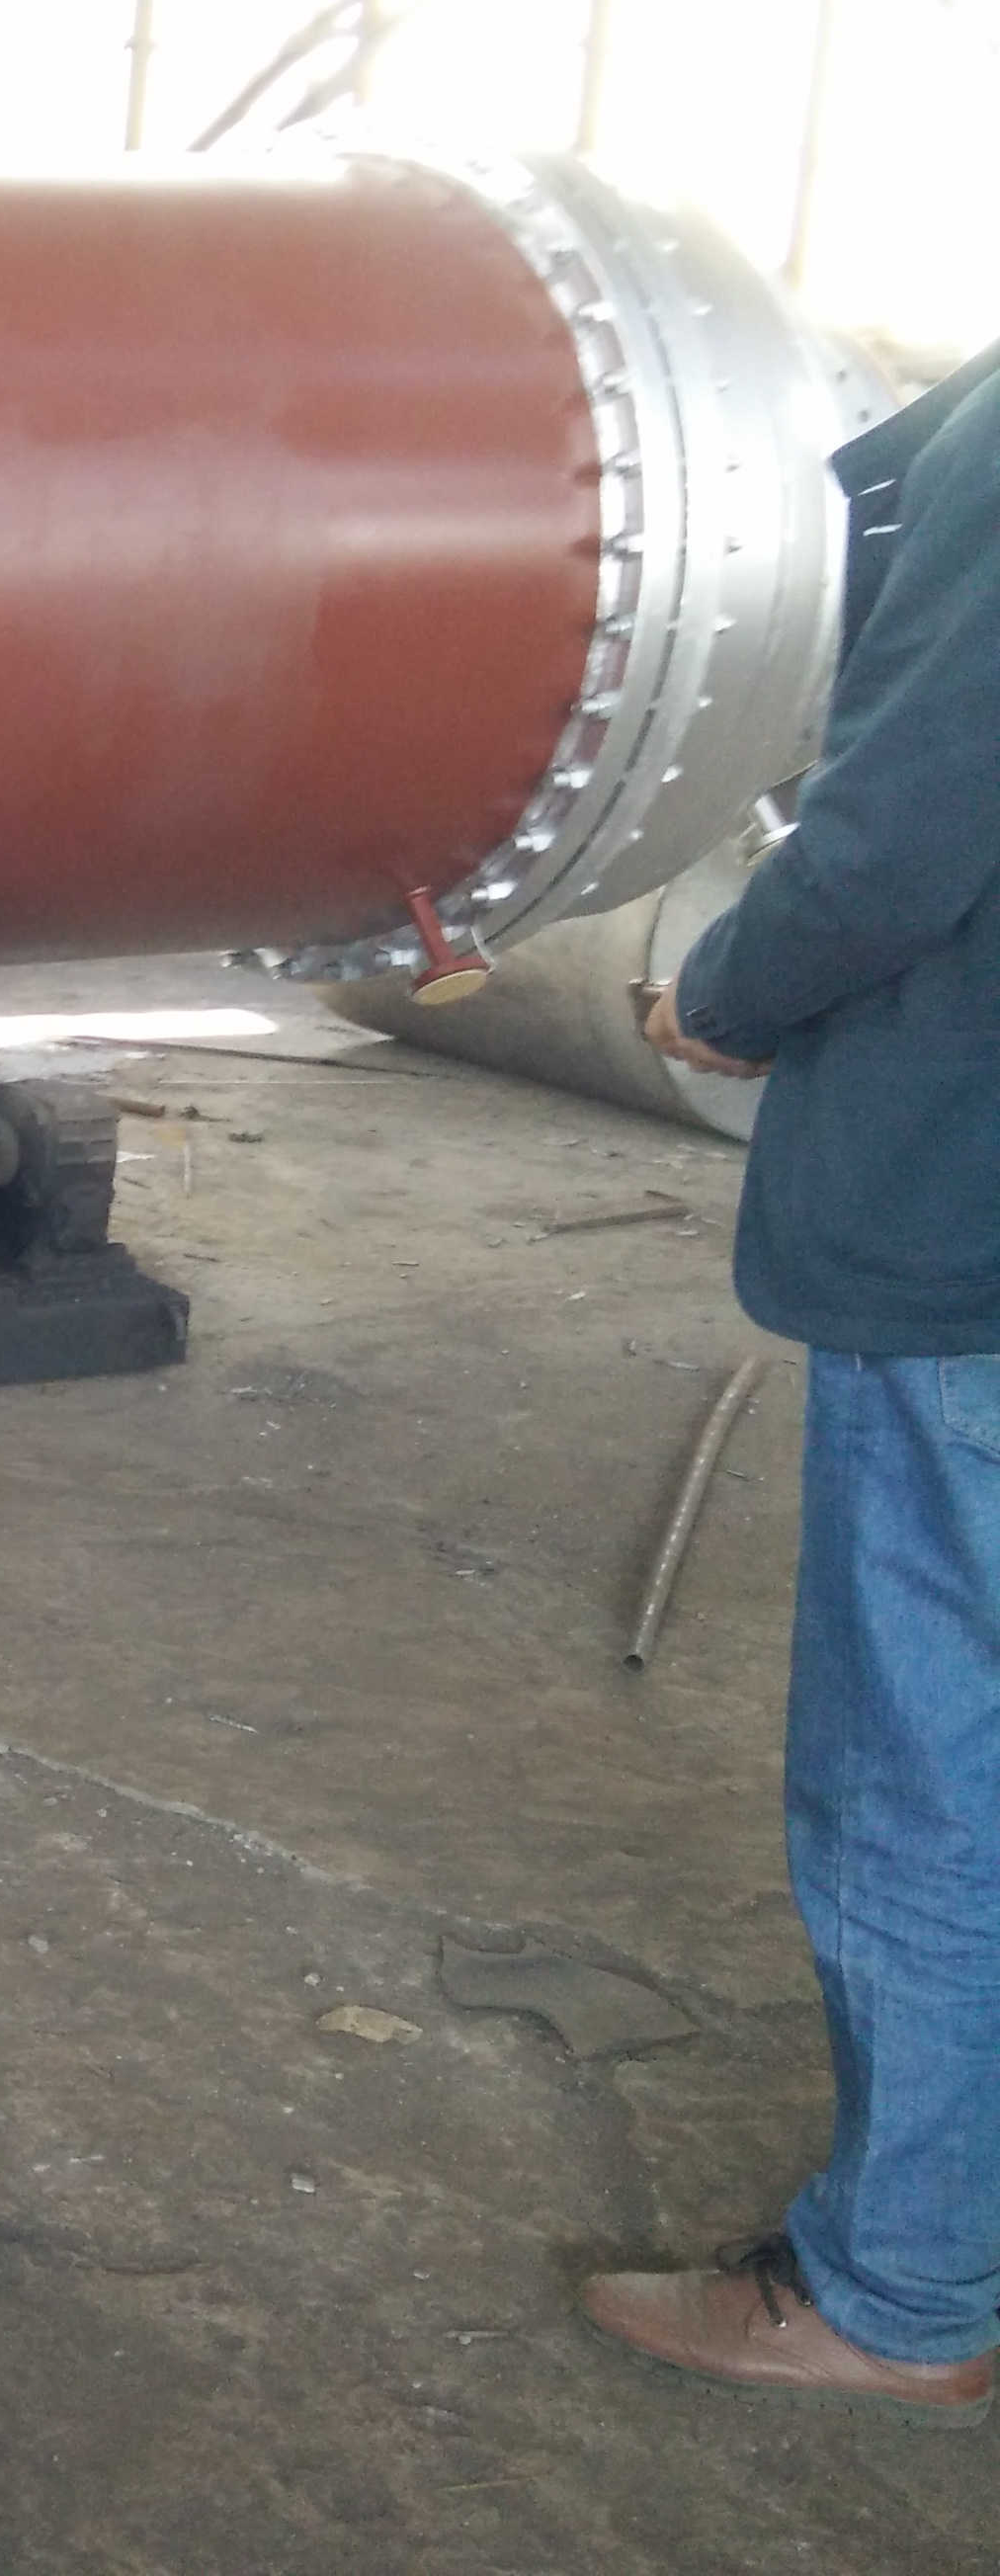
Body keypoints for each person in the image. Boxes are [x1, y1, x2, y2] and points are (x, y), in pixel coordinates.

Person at [595, 338, 1000, 2425]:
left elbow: (898, 840)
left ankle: (904, 2296)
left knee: (928, 1774)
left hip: (969, 1228)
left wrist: (727, 994)